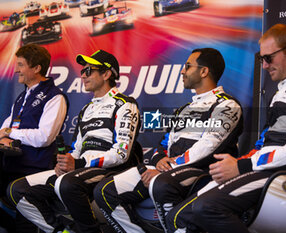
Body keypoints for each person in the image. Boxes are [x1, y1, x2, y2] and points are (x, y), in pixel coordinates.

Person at [158, 24, 286, 233]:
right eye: (262, 59)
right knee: (177, 217)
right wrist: (240, 162)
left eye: (269, 58)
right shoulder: (281, 92)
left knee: (206, 207)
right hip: (267, 169)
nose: (265, 65)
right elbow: (265, 143)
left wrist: (241, 166)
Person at [94, 48, 244, 233]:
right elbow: (163, 144)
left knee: (162, 184)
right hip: (169, 171)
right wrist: (159, 161)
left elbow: (208, 147)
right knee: (104, 191)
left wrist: (170, 168)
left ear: (204, 71)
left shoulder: (227, 105)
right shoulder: (184, 109)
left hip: (202, 173)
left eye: (188, 66)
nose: (182, 71)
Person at [8, 49, 140, 233]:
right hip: (80, 168)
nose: (83, 75)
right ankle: (62, 230)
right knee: (18, 189)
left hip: (109, 170)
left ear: (106, 74)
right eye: (82, 71)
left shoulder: (125, 104)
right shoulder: (86, 109)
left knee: (67, 183)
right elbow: (77, 148)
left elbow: (121, 154)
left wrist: (78, 162)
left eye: (88, 71)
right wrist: (65, 163)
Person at [0, 44, 68, 233]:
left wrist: (10, 134)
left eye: (21, 65)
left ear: (37, 68)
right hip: (11, 166)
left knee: (25, 226)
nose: (16, 70)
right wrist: (5, 135)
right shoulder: (22, 96)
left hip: (32, 171)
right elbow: (4, 129)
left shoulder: (55, 97)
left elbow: (43, 138)